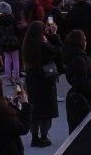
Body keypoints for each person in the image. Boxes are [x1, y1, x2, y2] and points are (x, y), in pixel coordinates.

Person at [21, 19, 61, 147]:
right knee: (46, 110)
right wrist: (54, 34)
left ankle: (34, 137)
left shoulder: (27, 44)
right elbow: (57, 51)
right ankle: (44, 137)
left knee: (35, 108)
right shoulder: (43, 45)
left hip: (32, 79)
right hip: (45, 78)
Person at [62, 29, 91, 132]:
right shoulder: (79, 60)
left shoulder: (74, 57)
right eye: (84, 40)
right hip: (84, 103)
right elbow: (82, 84)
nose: (86, 42)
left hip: (78, 102)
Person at [0, 3, 21, 84]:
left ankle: (8, 78)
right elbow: (17, 30)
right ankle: (16, 77)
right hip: (13, 41)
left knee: (7, 59)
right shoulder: (12, 19)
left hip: (4, 41)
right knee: (15, 59)